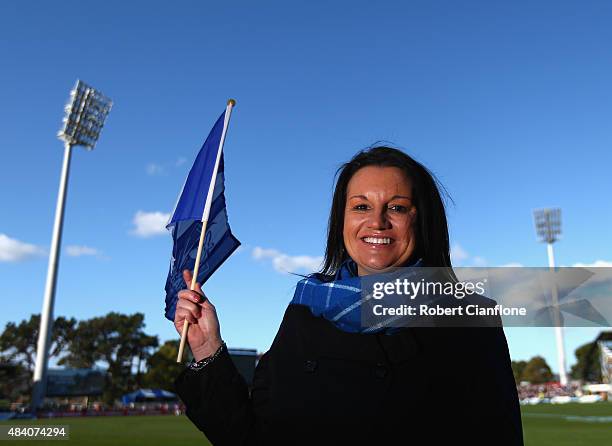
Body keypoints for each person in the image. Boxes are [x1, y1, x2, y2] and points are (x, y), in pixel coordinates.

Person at [173, 146, 524, 445]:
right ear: (340, 222)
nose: (377, 221)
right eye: (360, 207)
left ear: (422, 221)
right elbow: (251, 436)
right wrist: (207, 349)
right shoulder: (305, 312)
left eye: (397, 207)